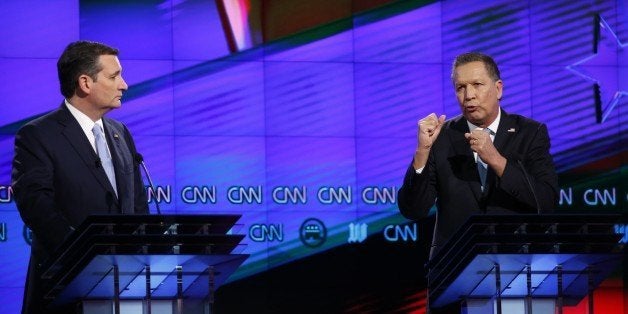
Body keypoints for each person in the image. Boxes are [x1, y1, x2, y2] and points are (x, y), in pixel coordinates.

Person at [397, 52, 559, 312]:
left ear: (498, 89)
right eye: (460, 88)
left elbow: (545, 201)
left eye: (477, 85)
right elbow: (412, 209)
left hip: (517, 276)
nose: (468, 95)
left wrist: (496, 159)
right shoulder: (442, 137)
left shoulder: (530, 133)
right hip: (454, 279)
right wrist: (422, 153)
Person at [11, 41, 149, 314]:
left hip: (123, 292)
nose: (124, 85)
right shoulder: (38, 135)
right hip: (65, 289)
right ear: (85, 83)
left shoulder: (121, 133)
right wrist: (86, 258)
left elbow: (138, 207)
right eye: (114, 76)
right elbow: (37, 207)